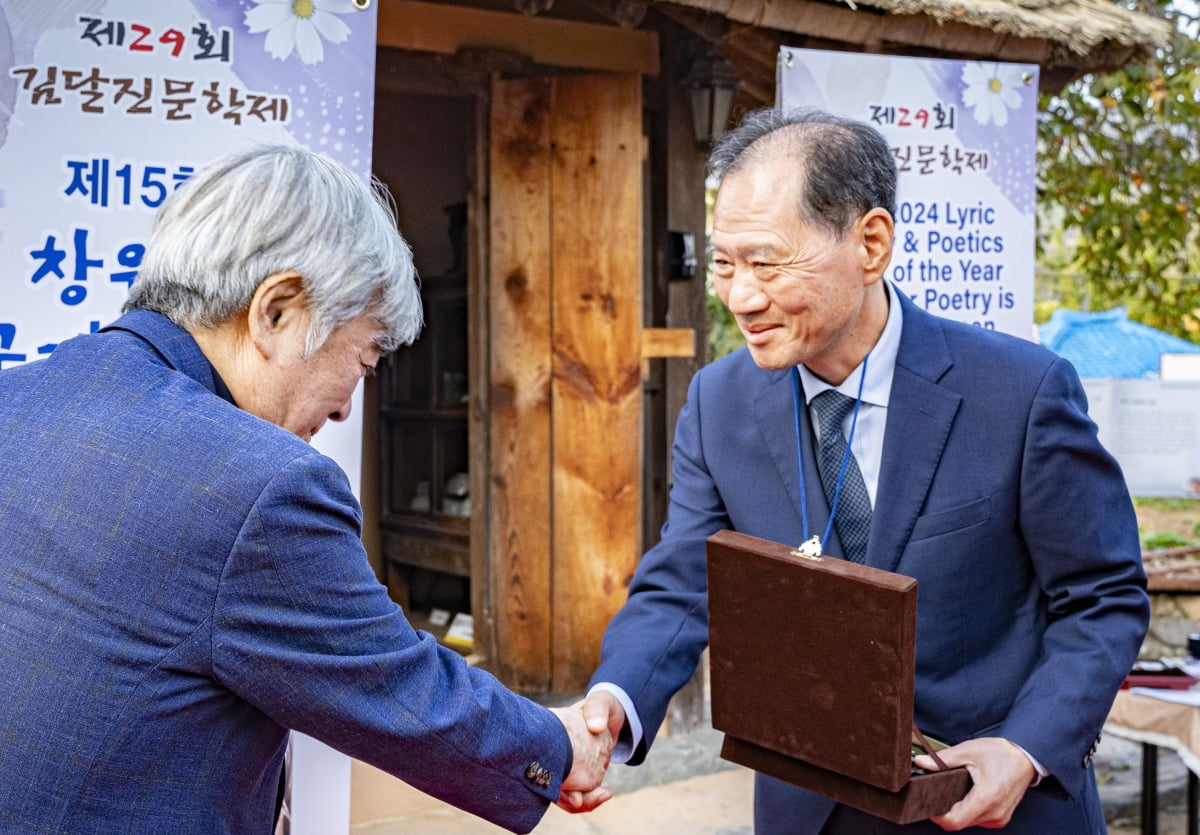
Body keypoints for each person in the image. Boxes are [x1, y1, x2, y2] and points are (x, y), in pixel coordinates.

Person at [0, 144, 610, 834]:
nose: (350, 406)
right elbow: (399, 688)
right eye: (364, 357)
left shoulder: (15, 396)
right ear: (277, 310)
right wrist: (559, 746)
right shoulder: (258, 484)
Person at [581, 108, 1150, 832]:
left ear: (871, 243)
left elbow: (1103, 597)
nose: (740, 296)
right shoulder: (720, 400)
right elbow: (684, 581)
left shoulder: (1020, 393)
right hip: (809, 810)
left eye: (767, 261)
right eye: (725, 262)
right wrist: (614, 700)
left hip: (992, 807)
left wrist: (1025, 747)